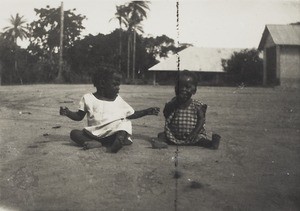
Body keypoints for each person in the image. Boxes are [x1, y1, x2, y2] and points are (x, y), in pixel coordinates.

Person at [60, 66, 160, 153]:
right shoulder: (88, 98)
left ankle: (118, 140)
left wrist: (146, 111)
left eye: (118, 85)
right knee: (74, 133)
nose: (118, 88)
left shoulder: (118, 99)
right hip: (93, 134)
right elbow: (79, 116)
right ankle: (92, 142)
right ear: (103, 84)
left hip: (112, 134)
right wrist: (68, 113)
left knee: (125, 123)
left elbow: (130, 114)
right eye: (115, 84)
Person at [153, 70, 221, 149]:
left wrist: (195, 133)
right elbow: (166, 113)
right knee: (162, 135)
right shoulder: (172, 103)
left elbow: (201, 120)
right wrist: (173, 104)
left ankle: (213, 143)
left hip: (192, 135)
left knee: (201, 140)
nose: (183, 89)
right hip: (174, 135)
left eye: (187, 87)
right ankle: (160, 143)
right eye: (180, 86)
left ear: (194, 90)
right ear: (175, 89)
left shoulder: (197, 106)